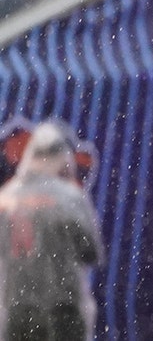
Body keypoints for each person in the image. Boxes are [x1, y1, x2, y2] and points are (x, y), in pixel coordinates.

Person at [0, 122, 102, 341]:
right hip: (63, 310)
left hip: (16, 312)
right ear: (63, 159)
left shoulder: (5, 198)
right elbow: (91, 252)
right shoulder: (71, 197)